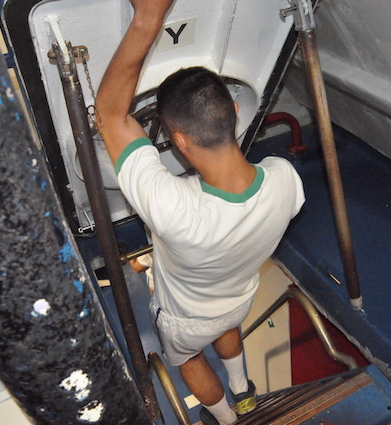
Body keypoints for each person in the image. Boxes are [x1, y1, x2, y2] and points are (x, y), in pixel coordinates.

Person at [95, 1, 305, 424]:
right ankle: (243, 391)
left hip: (187, 322)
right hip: (239, 298)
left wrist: (147, 19)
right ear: (235, 112)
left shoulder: (172, 208)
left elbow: (110, 115)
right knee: (226, 327)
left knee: (190, 360)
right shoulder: (286, 179)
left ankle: (228, 420)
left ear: (178, 141)